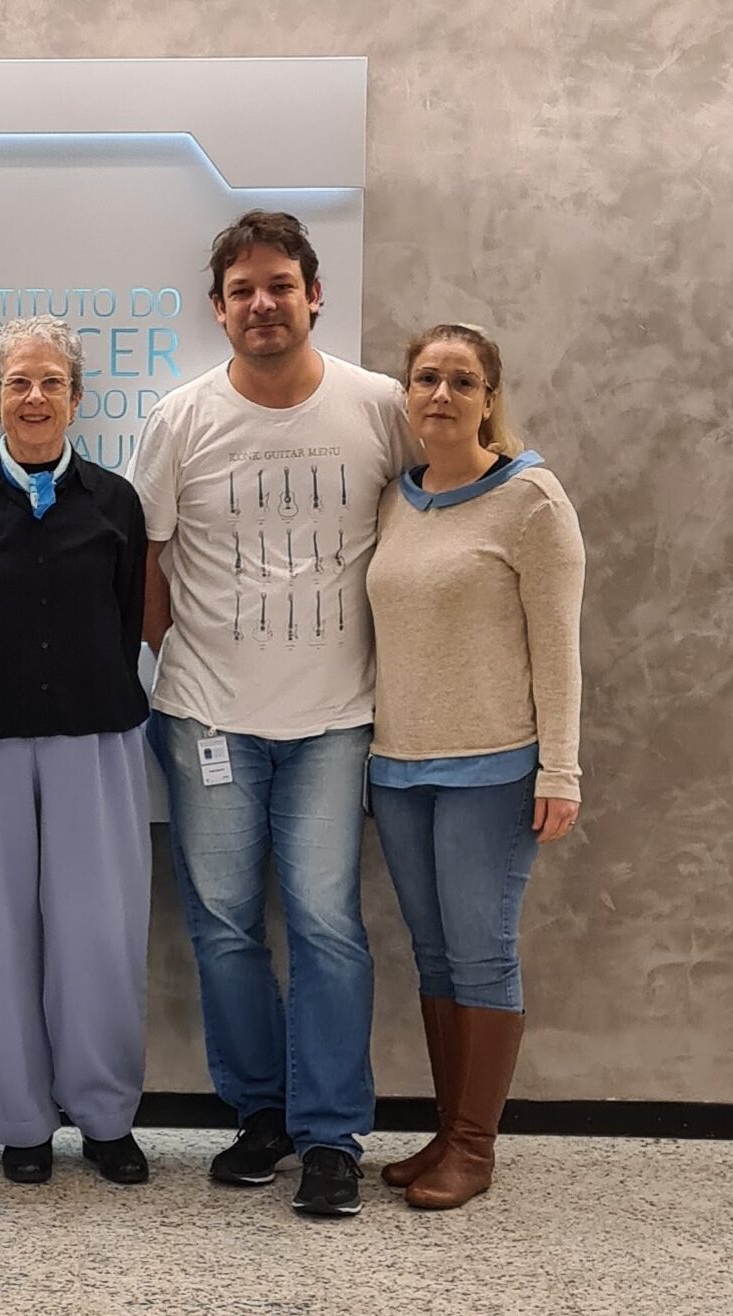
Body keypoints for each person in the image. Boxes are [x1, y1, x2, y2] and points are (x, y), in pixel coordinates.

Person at [129, 210, 411, 1217]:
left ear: (314, 294)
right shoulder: (182, 418)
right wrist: (189, 661)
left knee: (329, 923)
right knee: (222, 924)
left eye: (280, 284)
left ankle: (331, 1134)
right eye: (242, 289)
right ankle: (262, 1115)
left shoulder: (379, 407)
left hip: (336, 719)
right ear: (217, 308)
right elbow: (147, 560)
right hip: (206, 715)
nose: (262, 303)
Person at [0, 317, 153, 1185]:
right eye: (17, 382)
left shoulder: (114, 502)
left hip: (95, 737)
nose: (33, 397)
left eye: (50, 382)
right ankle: (21, 1123)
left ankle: (104, 1119)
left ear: (76, 398)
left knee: (98, 934)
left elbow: (127, 612)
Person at [366, 323, 584, 1209]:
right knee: (432, 954)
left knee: (481, 952)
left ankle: (473, 1149)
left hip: (492, 767)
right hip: (398, 764)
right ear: (406, 396)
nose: (442, 395)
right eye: (426, 378)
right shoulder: (395, 498)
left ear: (488, 397)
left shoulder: (531, 501)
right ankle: (444, 1131)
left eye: (462, 381)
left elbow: (558, 647)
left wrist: (558, 771)